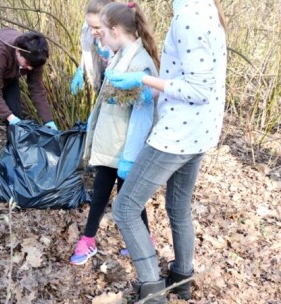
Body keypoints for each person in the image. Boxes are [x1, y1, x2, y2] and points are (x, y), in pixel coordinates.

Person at [105, 0, 227, 302]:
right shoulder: (205, 8)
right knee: (177, 206)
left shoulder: (189, 16)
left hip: (179, 134)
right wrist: (157, 89)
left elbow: (199, 91)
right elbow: (193, 78)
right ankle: (181, 279)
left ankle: (152, 290)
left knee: (125, 208)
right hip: (200, 131)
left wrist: (143, 79)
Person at [71, 2, 159, 266]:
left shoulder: (140, 63)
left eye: (102, 31)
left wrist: (130, 157)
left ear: (116, 30)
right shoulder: (123, 53)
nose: (99, 36)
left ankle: (142, 244)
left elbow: (142, 116)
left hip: (123, 149)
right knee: (104, 192)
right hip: (113, 143)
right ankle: (90, 239)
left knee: (128, 200)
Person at [0, 28, 58, 194]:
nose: (30, 69)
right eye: (27, 65)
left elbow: (36, 88)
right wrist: (9, 117)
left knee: (18, 121)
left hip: (9, 75)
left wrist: (48, 120)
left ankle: (12, 166)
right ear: (18, 51)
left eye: (33, 66)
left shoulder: (35, 56)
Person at [70, 0, 114, 95]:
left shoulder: (116, 43)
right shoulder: (92, 32)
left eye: (97, 27)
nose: (92, 32)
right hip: (102, 75)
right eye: (90, 27)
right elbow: (88, 50)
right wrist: (81, 69)